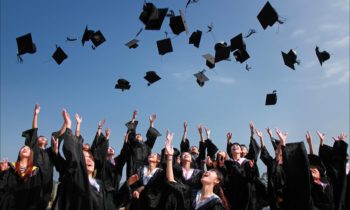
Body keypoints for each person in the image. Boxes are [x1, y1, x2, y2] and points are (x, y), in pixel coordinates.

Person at [164, 130, 229, 210]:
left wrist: (204, 135)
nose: (207, 171)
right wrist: (170, 156)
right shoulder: (191, 193)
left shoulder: (216, 203)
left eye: (212, 171)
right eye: (208, 170)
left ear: (217, 180)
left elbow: (203, 151)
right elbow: (172, 182)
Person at [21, 103, 56, 210]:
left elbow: (58, 138)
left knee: (43, 205)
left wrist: (66, 123)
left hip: (46, 184)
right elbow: (34, 131)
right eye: (40, 137)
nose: (43, 138)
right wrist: (36, 115)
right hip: (33, 182)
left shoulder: (49, 152)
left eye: (44, 138)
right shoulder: (34, 150)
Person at [0, 145, 43, 210]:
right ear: (19, 153)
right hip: (8, 204)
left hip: (26, 205)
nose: (25, 149)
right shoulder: (10, 167)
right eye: (23, 148)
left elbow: (36, 192)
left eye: (28, 149)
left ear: (31, 154)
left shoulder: (35, 171)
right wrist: (2, 172)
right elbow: (2, 185)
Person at [123, 110, 161, 178]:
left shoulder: (147, 145)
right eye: (136, 135)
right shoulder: (132, 144)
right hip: (133, 169)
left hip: (145, 170)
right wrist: (133, 119)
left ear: (143, 139)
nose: (138, 135)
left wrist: (151, 123)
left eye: (140, 135)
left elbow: (151, 136)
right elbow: (131, 134)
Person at [257, 128, 286, 210]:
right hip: (273, 195)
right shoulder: (271, 162)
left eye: (279, 149)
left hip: (286, 194)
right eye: (277, 149)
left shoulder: (287, 163)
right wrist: (261, 138)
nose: (278, 150)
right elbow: (264, 152)